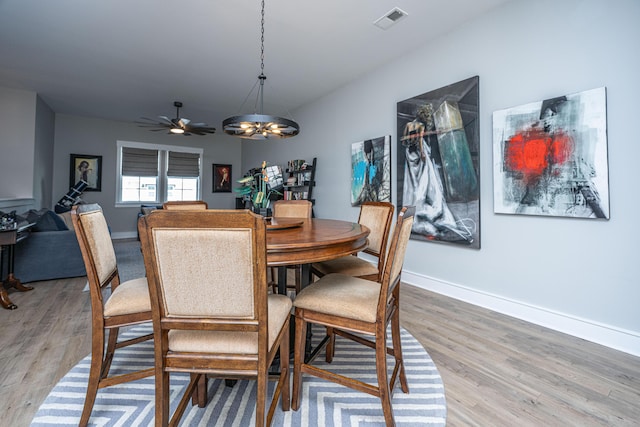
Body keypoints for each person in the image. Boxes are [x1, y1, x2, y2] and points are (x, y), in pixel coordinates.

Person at [402, 103, 473, 243]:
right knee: (427, 182)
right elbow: (421, 142)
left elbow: (404, 140)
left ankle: (415, 208)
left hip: (409, 155)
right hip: (420, 155)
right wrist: (423, 155)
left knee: (414, 184)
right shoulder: (421, 127)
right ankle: (428, 211)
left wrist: (411, 145)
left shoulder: (409, 125)